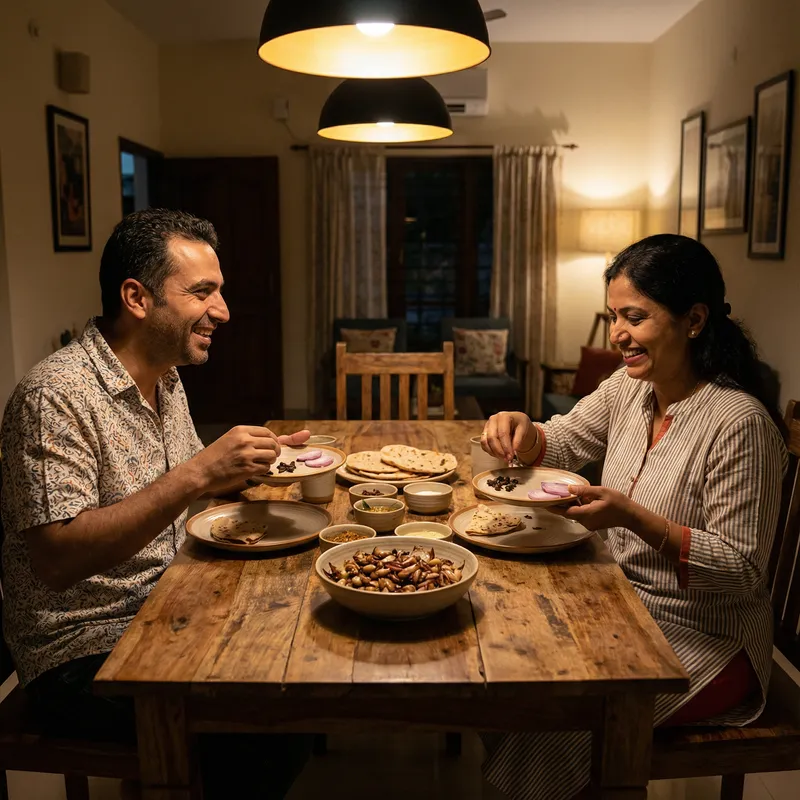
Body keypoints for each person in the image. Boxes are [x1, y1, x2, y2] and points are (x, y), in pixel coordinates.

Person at [0, 208, 311, 798]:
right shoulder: (54, 396)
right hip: (82, 652)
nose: (222, 311)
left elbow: (194, 488)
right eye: (202, 292)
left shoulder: (164, 377)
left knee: (288, 661)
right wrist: (200, 472)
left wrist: (254, 465)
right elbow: (58, 559)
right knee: (265, 728)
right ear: (136, 297)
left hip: (165, 604)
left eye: (220, 292)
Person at [479, 234, 787, 800]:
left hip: (709, 637)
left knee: (554, 728)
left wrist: (633, 517)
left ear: (694, 319)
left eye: (635, 317)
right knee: (509, 678)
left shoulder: (738, 423)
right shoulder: (630, 388)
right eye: (614, 315)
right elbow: (565, 439)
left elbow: (742, 571)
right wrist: (522, 430)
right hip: (623, 605)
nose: (618, 333)